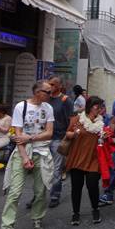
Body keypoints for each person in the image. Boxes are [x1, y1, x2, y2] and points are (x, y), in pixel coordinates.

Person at [0, 81, 54, 229]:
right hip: (22, 152)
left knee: (40, 190)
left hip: (42, 152)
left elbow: (49, 133)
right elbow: (17, 137)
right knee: (14, 192)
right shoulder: (20, 107)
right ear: (38, 92)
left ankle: (37, 219)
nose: (51, 95)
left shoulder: (48, 108)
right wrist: (24, 158)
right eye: (48, 92)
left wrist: (30, 138)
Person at [65, 96, 105, 226]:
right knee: (76, 187)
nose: (99, 109)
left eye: (100, 106)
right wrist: (74, 133)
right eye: (96, 106)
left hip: (93, 159)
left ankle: (95, 209)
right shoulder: (78, 120)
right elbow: (67, 134)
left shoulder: (101, 122)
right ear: (89, 107)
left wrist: (107, 137)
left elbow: (108, 135)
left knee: (92, 185)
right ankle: (75, 213)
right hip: (78, 158)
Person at [46, 76, 74, 208]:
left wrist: (66, 137)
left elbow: (71, 120)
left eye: (52, 84)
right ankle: (37, 196)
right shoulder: (46, 99)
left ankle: (54, 195)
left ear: (59, 86)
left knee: (56, 169)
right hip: (45, 138)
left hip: (58, 138)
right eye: (49, 84)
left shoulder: (65, 100)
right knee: (43, 168)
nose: (50, 86)